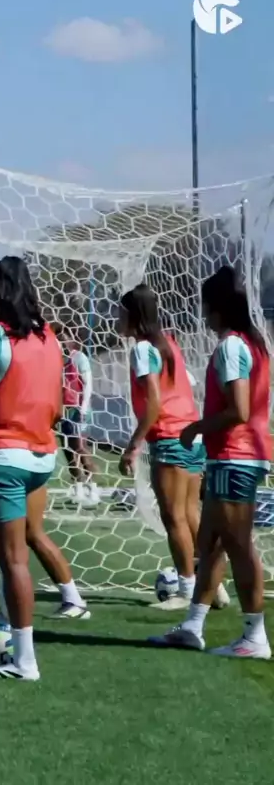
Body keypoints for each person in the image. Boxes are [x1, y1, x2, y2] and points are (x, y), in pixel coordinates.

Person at [0, 257, 90, 680]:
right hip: (41, 455)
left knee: (14, 561)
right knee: (27, 542)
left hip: (3, 455)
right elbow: (57, 397)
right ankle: (34, 614)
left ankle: (24, 661)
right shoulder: (48, 336)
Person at [150, 266, 272, 658]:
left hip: (237, 457)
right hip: (230, 457)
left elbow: (239, 409)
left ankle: (255, 636)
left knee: (238, 546)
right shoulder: (250, 344)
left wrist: (195, 428)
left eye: (205, 306)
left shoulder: (233, 346)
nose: (202, 315)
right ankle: (192, 626)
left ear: (217, 308)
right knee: (212, 543)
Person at [117, 283, 229, 610]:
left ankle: (187, 589)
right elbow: (185, 385)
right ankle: (212, 585)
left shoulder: (142, 350)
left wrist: (133, 445)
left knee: (174, 518)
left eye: (120, 313)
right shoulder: (169, 343)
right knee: (191, 514)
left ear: (133, 316)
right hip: (191, 434)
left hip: (169, 436)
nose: (116, 319)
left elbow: (154, 400)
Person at [51, 323, 100, 508]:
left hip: (77, 409)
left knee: (80, 448)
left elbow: (88, 384)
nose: (62, 343)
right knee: (68, 450)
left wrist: (83, 408)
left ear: (72, 340)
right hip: (62, 410)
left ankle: (93, 489)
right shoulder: (56, 360)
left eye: (64, 339)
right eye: (58, 339)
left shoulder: (79, 357)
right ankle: (78, 488)